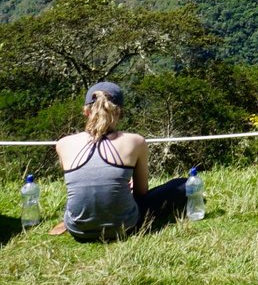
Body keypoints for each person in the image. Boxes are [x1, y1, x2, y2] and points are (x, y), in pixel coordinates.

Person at [51, 82, 194, 242]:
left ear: (85, 111)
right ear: (120, 113)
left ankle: (73, 221)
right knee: (184, 184)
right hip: (125, 226)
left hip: (78, 230)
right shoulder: (135, 141)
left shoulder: (63, 144)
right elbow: (141, 192)